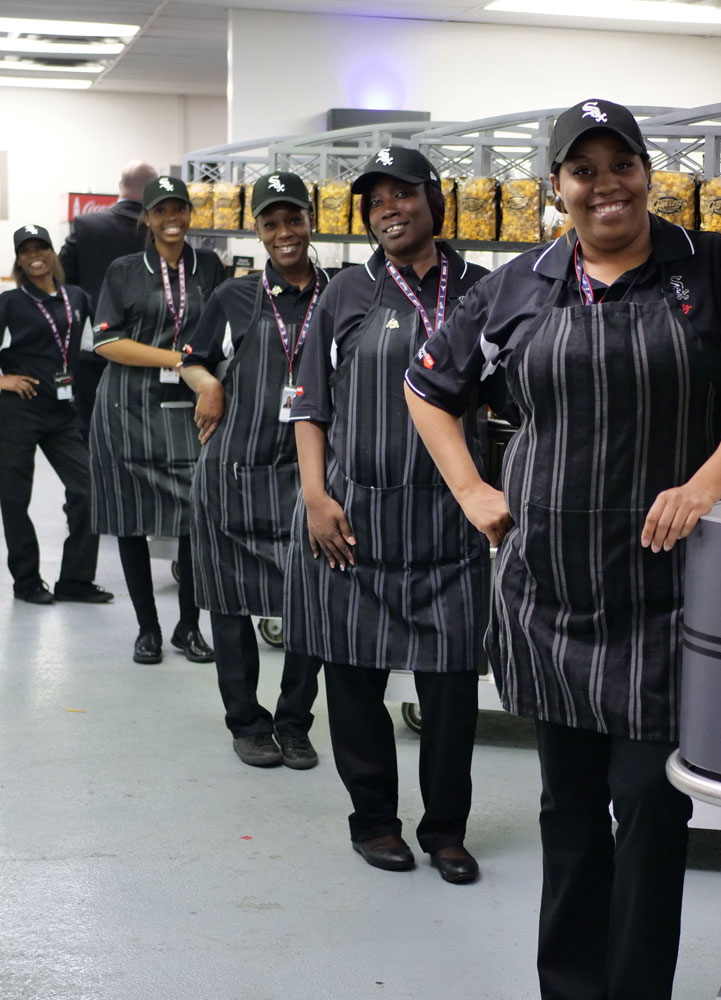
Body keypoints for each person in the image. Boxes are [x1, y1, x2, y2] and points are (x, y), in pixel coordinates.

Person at [404, 99, 721, 997]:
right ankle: (570, 986)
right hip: (549, 592)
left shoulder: (710, 269)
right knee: (568, 812)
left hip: (669, 597)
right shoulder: (517, 285)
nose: (605, 184)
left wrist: (701, 487)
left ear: (649, 173)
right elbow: (429, 389)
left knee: (653, 810)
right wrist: (472, 490)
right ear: (558, 188)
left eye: (623, 164)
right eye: (585, 170)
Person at [284, 147, 492, 884]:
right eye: (376, 201)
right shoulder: (345, 292)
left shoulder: (483, 289)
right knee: (353, 683)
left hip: (450, 526)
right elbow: (308, 404)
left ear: (434, 200)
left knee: (451, 692)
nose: (389, 209)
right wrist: (315, 495)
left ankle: (446, 831)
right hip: (354, 525)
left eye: (403, 194)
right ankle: (373, 822)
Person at [180, 171, 325, 770]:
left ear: (310, 220)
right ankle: (246, 721)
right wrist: (208, 380)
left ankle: (294, 721)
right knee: (232, 603)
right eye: (271, 223)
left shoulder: (342, 293)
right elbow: (190, 358)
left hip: (310, 471)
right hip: (234, 469)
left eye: (293, 219)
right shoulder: (233, 297)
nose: (284, 232)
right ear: (258, 230)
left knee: (311, 601)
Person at [91, 176, 225, 665]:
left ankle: (188, 626)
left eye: (180, 208)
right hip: (126, 406)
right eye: (161, 210)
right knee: (131, 519)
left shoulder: (208, 265)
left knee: (195, 517)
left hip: (188, 408)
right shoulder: (124, 270)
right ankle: (147, 628)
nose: (172, 217)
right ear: (146, 218)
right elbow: (106, 342)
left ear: (190, 214)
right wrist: (176, 359)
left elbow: (222, 328)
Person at [0, 225, 113, 606]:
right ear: (18, 259)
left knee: (88, 491)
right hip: (18, 413)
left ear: (52, 253)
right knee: (15, 499)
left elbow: (102, 341)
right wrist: (5, 381)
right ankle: (27, 580)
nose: (35, 255)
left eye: (41, 247)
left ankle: (76, 580)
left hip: (63, 412)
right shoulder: (9, 303)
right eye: (26, 249)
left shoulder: (77, 297)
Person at [59, 160, 159, 440]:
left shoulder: (86, 224)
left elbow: (60, 278)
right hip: (150, 346)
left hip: (95, 343)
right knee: (140, 428)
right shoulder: (160, 231)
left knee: (91, 426)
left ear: (120, 186)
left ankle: (91, 482)